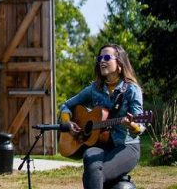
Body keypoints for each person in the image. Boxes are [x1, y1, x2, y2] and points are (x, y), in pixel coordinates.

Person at [60, 44, 145, 189]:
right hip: (101, 144)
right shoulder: (95, 88)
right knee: (89, 157)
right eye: (100, 58)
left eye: (106, 57)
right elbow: (65, 106)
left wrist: (132, 125)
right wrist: (68, 123)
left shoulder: (132, 89)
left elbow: (140, 126)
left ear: (120, 62)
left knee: (94, 173)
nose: (102, 61)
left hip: (126, 147)